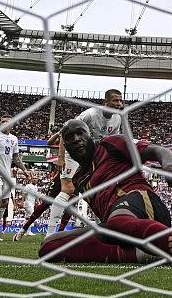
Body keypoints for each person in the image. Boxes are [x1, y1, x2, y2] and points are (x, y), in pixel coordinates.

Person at [38, 119, 172, 267]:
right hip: (118, 225)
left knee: (117, 221)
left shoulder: (111, 144)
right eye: (70, 137)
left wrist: (167, 167)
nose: (76, 139)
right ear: (65, 146)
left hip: (144, 204)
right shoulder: (79, 179)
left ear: (91, 135)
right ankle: (144, 255)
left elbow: (159, 150)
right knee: (49, 247)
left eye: (80, 133)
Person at [46, 89, 124, 237]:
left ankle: (103, 231)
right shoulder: (90, 114)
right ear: (106, 102)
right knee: (68, 190)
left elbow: (113, 141)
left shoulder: (117, 119)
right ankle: (49, 234)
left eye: (120, 101)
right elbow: (66, 132)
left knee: (96, 191)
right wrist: (61, 157)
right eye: (115, 100)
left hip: (91, 155)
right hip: (73, 151)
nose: (119, 104)